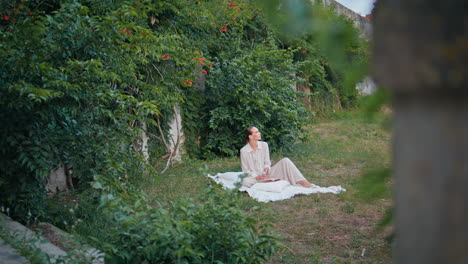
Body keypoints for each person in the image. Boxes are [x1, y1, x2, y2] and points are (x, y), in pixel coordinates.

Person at [240, 126, 317, 188]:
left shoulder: (264, 145)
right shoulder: (244, 151)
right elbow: (245, 170)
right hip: (255, 178)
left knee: (285, 161)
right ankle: (267, 182)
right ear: (250, 136)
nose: (259, 133)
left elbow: (267, 162)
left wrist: (267, 167)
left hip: (268, 174)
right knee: (244, 181)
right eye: (256, 132)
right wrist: (257, 177)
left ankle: (303, 181)